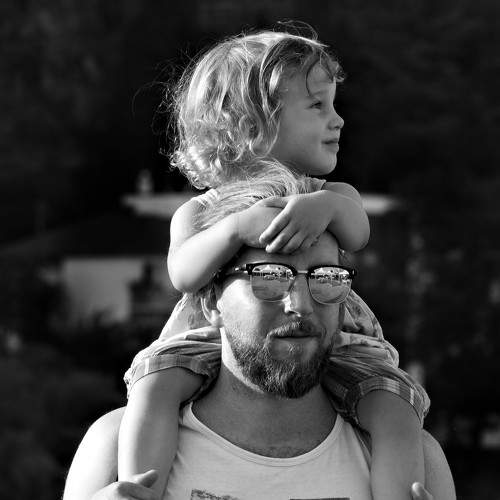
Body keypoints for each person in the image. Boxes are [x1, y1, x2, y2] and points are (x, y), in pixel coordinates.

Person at [116, 28, 432, 500]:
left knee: (393, 404)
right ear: (251, 124)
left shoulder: (333, 194)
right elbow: (183, 275)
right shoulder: (201, 212)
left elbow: (358, 232)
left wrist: (324, 207)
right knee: (153, 383)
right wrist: (234, 230)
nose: (338, 120)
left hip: (339, 337)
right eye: (318, 106)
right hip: (212, 336)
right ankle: (139, 488)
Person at [63, 176, 456, 500]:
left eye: (325, 278)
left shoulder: (411, 459)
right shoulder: (115, 448)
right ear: (211, 302)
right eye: (270, 276)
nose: (301, 305)